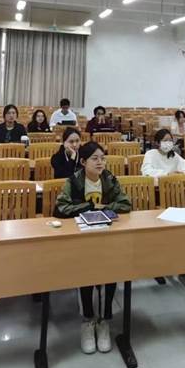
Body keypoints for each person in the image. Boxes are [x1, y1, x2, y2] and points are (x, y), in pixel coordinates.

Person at [54, 142, 132, 355]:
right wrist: (89, 207)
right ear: (83, 162)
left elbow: (125, 204)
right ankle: (87, 320)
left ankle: (104, 320)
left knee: (110, 273)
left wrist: (104, 208)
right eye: (95, 158)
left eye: (103, 158)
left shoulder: (109, 179)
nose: (100, 162)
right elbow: (61, 207)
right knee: (86, 275)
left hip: (107, 237)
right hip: (81, 238)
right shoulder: (74, 181)